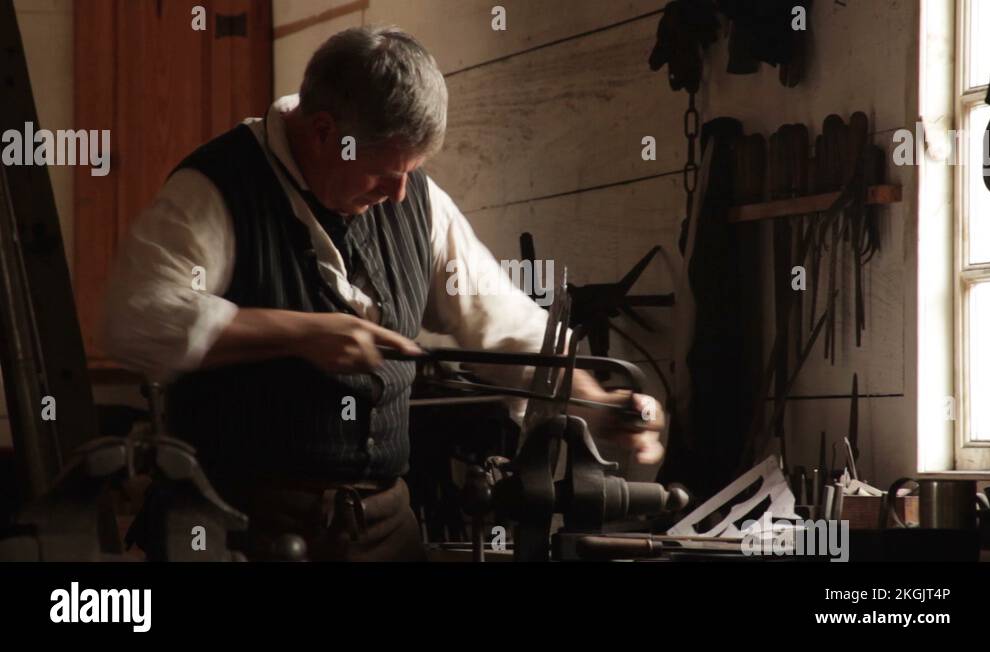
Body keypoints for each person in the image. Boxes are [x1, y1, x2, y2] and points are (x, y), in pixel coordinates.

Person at [103, 25, 665, 561]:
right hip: (239, 522)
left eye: (411, 172)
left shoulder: (417, 198)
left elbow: (503, 326)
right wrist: (302, 333)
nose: (399, 194)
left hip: (383, 525)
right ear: (323, 132)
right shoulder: (218, 188)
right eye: (381, 172)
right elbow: (138, 315)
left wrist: (596, 403)